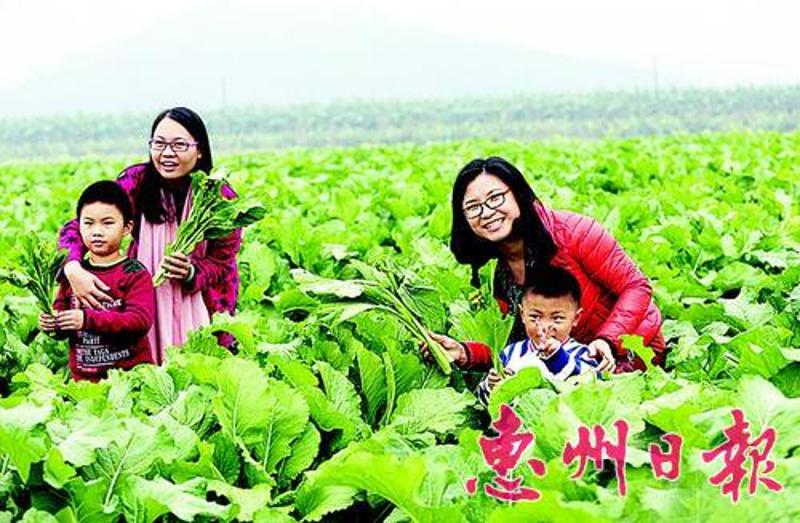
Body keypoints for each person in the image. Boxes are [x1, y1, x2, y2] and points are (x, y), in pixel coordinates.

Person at [427, 156, 666, 373]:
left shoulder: (574, 232)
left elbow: (636, 286)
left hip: (625, 350)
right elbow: (516, 345)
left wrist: (608, 340)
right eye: (473, 207)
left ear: (519, 195)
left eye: (495, 198)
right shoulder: (491, 269)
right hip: (560, 362)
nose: (486, 212)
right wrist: (464, 353)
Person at [58, 107, 242, 363]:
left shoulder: (220, 198)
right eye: (159, 143)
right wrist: (73, 268)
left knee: (203, 371)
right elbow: (80, 227)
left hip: (204, 305)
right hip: (141, 297)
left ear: (200, 150)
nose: (167, 153)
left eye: (179, 144)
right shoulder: (136, 182)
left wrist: (191, 272)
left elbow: (222, 263)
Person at [40, 181, 155, 381]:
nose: (97, 231)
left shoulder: (134, 272)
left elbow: (139, 321)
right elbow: (63, 315)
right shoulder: (74, 274)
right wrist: (53, 324)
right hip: (85, 382)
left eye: (107, 223)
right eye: (88, 223)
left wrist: (86, 319)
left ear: (127, 228)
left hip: (131, 377)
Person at [476, 265, 600, 405]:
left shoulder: (583, 354)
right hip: (516, 424)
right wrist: (491, 386)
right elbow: (487, 404)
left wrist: (557, 357)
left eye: (557, 318)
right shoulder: (510, 353)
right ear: (522, 315)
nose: (545, 326)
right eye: (535, 317)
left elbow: (591, 388)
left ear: (576, 318)